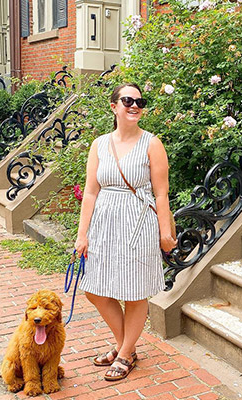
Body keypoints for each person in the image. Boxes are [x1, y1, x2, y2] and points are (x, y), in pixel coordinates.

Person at [75, 83, 177, 381]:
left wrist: (164, 231)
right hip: (104, 224)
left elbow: (161, 194)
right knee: (94, 289)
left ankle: (124, 352)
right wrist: (82, 234)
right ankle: (126, 348)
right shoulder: (99, 144)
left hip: (138, 222)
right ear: (114, 106)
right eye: (128, 100)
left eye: (139, 101)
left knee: (134, 291)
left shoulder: (151, 144)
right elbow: (91, 193)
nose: (135, 105)